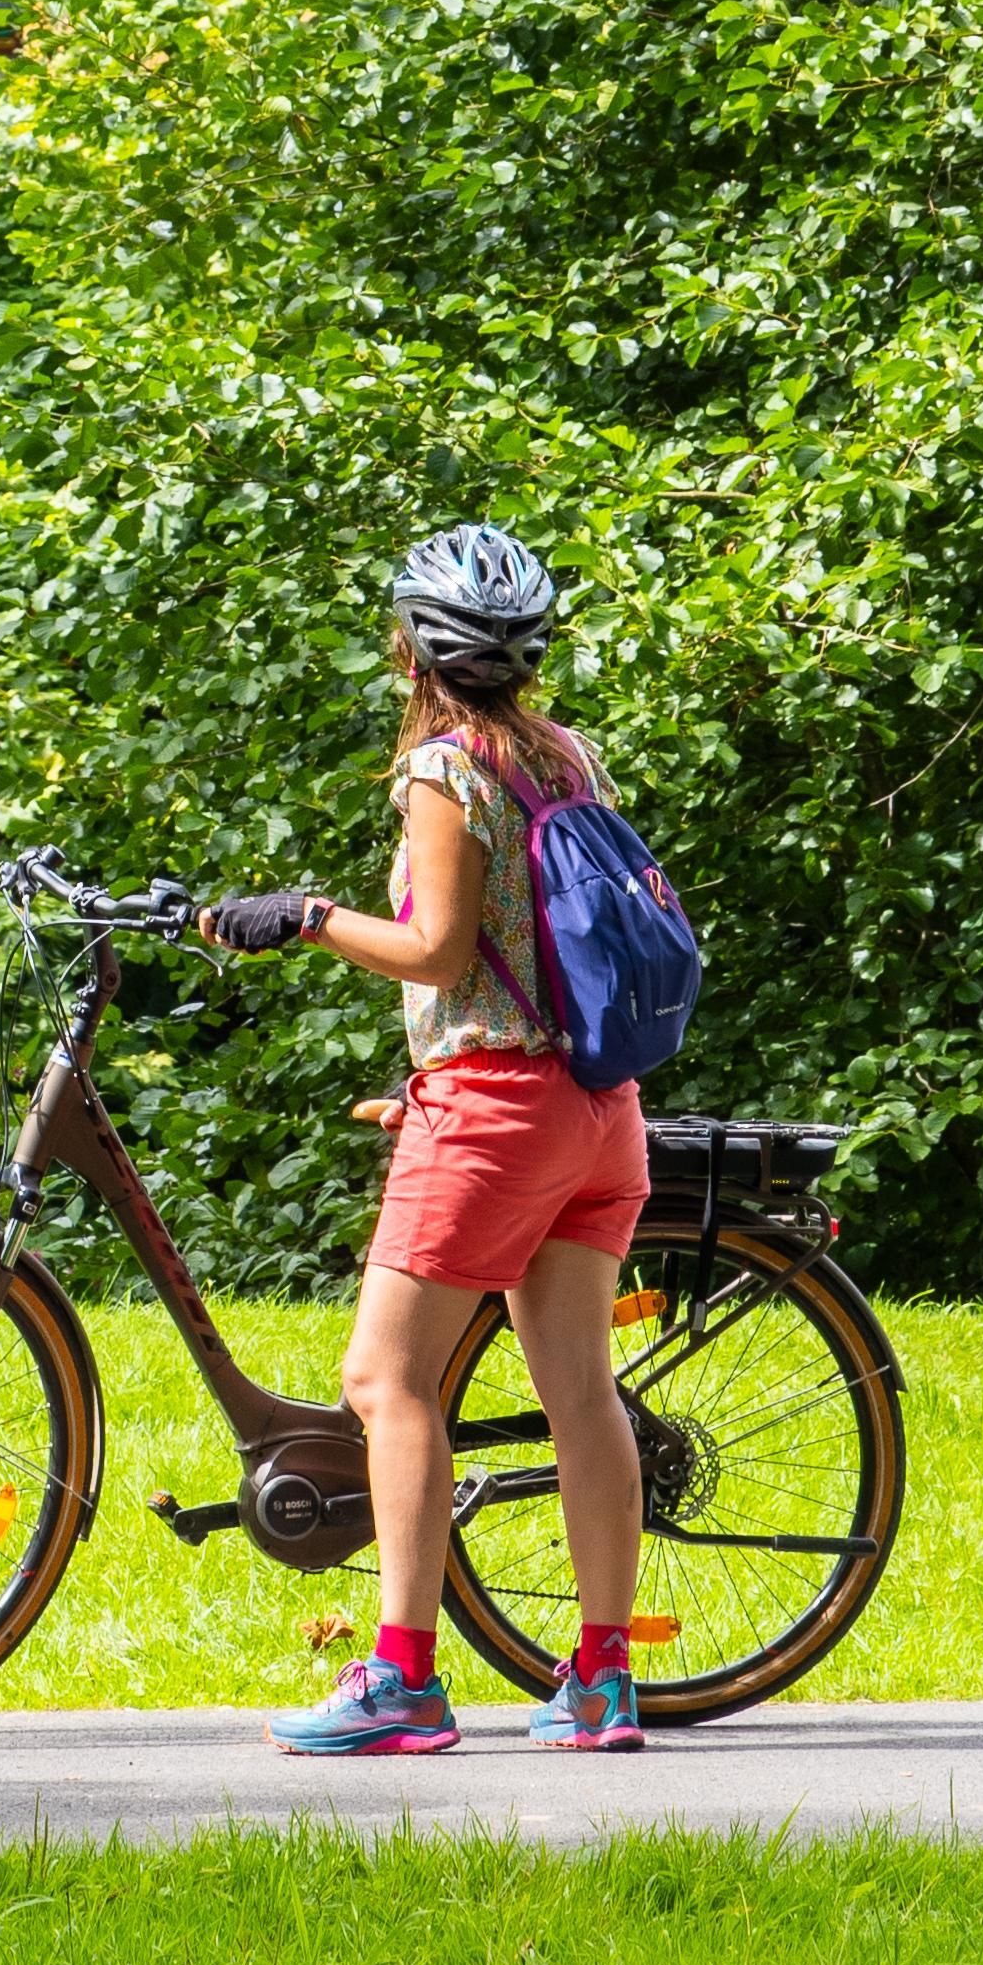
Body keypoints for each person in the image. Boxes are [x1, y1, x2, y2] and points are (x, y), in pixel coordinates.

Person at [234, 518, 650, 1757]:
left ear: (413, 645)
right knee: (580, 1390)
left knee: (386, 1380)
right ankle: (602, 1679)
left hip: (493, 1112)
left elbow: (436, 950)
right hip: (596, 1108)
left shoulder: (441, 771)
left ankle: (402, 1676)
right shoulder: (570, 754)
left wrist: (305, 914)